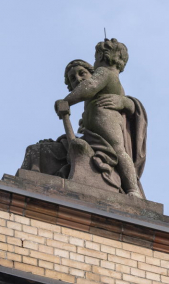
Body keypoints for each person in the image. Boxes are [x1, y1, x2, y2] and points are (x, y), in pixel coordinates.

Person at [53, 39, 148, 197]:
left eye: (96, 57)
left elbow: (89, 87)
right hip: (97, 125)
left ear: (102, 57)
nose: (78, 79)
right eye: (73, 78)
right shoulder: (108, 76)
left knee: (118, 151)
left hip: (107, 120)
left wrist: (67, 100)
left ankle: (132, 189)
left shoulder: (104, 72)